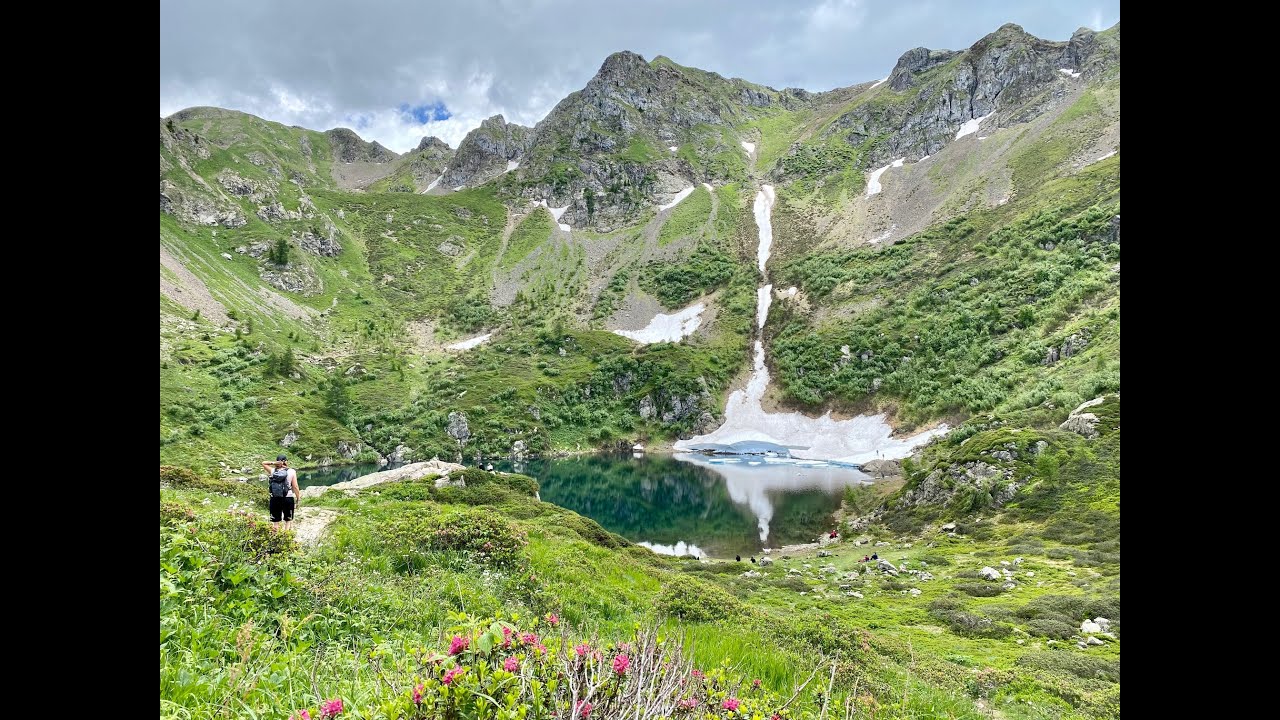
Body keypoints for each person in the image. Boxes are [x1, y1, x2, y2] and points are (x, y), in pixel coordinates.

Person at [262, 454, 301, 531]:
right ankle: (286, 536)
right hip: (288, 497)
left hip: (275, 498)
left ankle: (275, 537)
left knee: (275, 521)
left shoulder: (273, 471)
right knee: (288, 520)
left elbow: (263, 463)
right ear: (286, 461)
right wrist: (298, 498)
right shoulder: (291, 471)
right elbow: (295, 486)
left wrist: (274, 463)